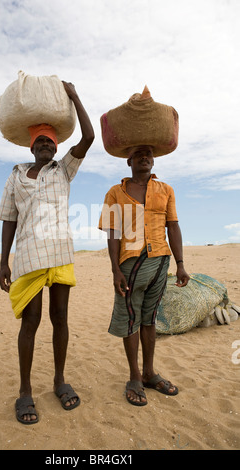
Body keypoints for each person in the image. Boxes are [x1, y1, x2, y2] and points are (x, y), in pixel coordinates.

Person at [0, 81, 94, 424]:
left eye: (50, 143)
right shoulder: (17, 175)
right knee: (31, 321)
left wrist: (75, 96)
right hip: (28, 255)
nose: (45, 147)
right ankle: (25, 391)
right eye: (40, 141)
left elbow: (88, 139)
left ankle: (59, 380)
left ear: (55, 148)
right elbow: (9, 219)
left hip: (60, 253)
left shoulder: (63, 171)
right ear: (31, 145)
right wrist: (2, 262)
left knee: (60, 318)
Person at [98, 145, 189, 406]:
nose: (145, 158)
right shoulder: (115, 193)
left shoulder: (166, 190)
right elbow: (113, 232)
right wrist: (115, 269)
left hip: (160, 261)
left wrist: (180, 264)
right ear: (129, 161)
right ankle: (135, 376)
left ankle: (149, 372)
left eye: (148, 154)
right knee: (130, 319)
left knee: (149, 319)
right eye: (139, 155)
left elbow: (173, 226)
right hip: (129, 264)